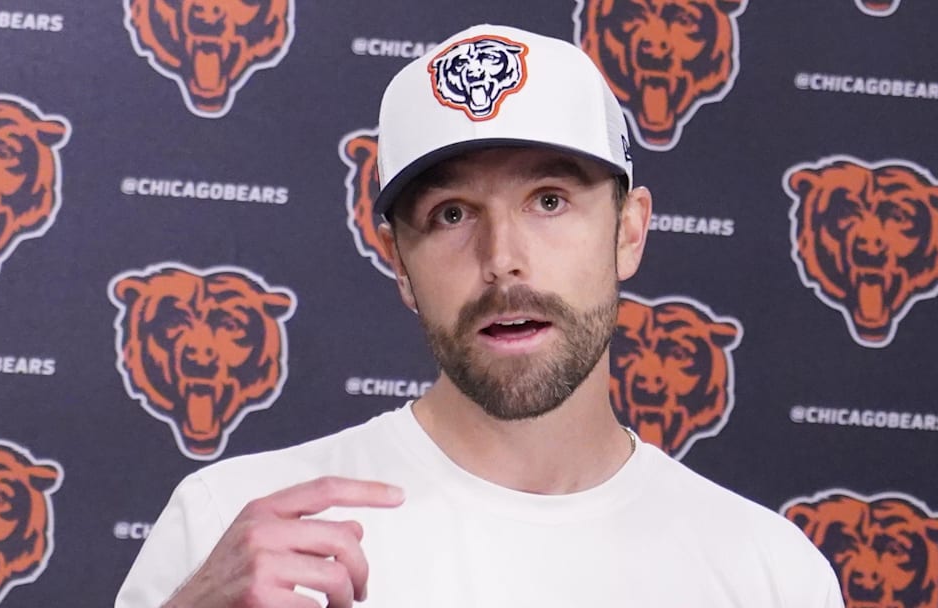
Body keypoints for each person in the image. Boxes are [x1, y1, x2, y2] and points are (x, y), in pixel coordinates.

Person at [115, 24, 842, 608]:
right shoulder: (239, 526)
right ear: (400, 263)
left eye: (549, 200)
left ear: (628, 230)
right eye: (452, 213)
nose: (502, 259)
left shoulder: (768, 573)